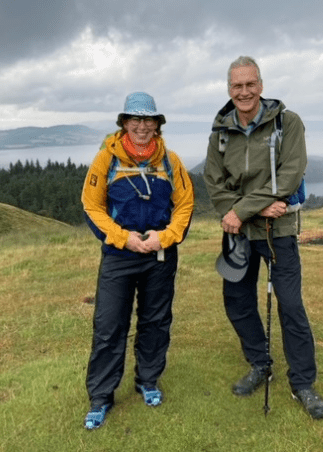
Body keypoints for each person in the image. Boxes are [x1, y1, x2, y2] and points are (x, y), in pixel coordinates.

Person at [203, 56, 323, 420]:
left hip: (279, 231)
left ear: (261, 85)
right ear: (229, 89)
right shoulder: (220, 133)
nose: (244, 92)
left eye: (250, 84)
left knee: (290, 305)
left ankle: (302, 383)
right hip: (238, 232)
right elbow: (214, 183)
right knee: (237, 302)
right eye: (237, 85)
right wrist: (254, 210)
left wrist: (243, 208)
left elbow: (289, 177)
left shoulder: (288, 123)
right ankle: (260, 363)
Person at [81, 92, 194, 430]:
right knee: (109, 325)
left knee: (155, 321)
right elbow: (91, 206)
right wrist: (123, 237)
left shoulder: (170, 161)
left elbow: (185, 204)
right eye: (136, 119)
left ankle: (148, 381)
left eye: (149, 120)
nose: (142, 126)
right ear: (124, 123)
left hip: (160, 254)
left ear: (157, 124)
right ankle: (101, 396)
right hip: (119, 255)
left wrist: (166, 237)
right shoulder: (107, 159)